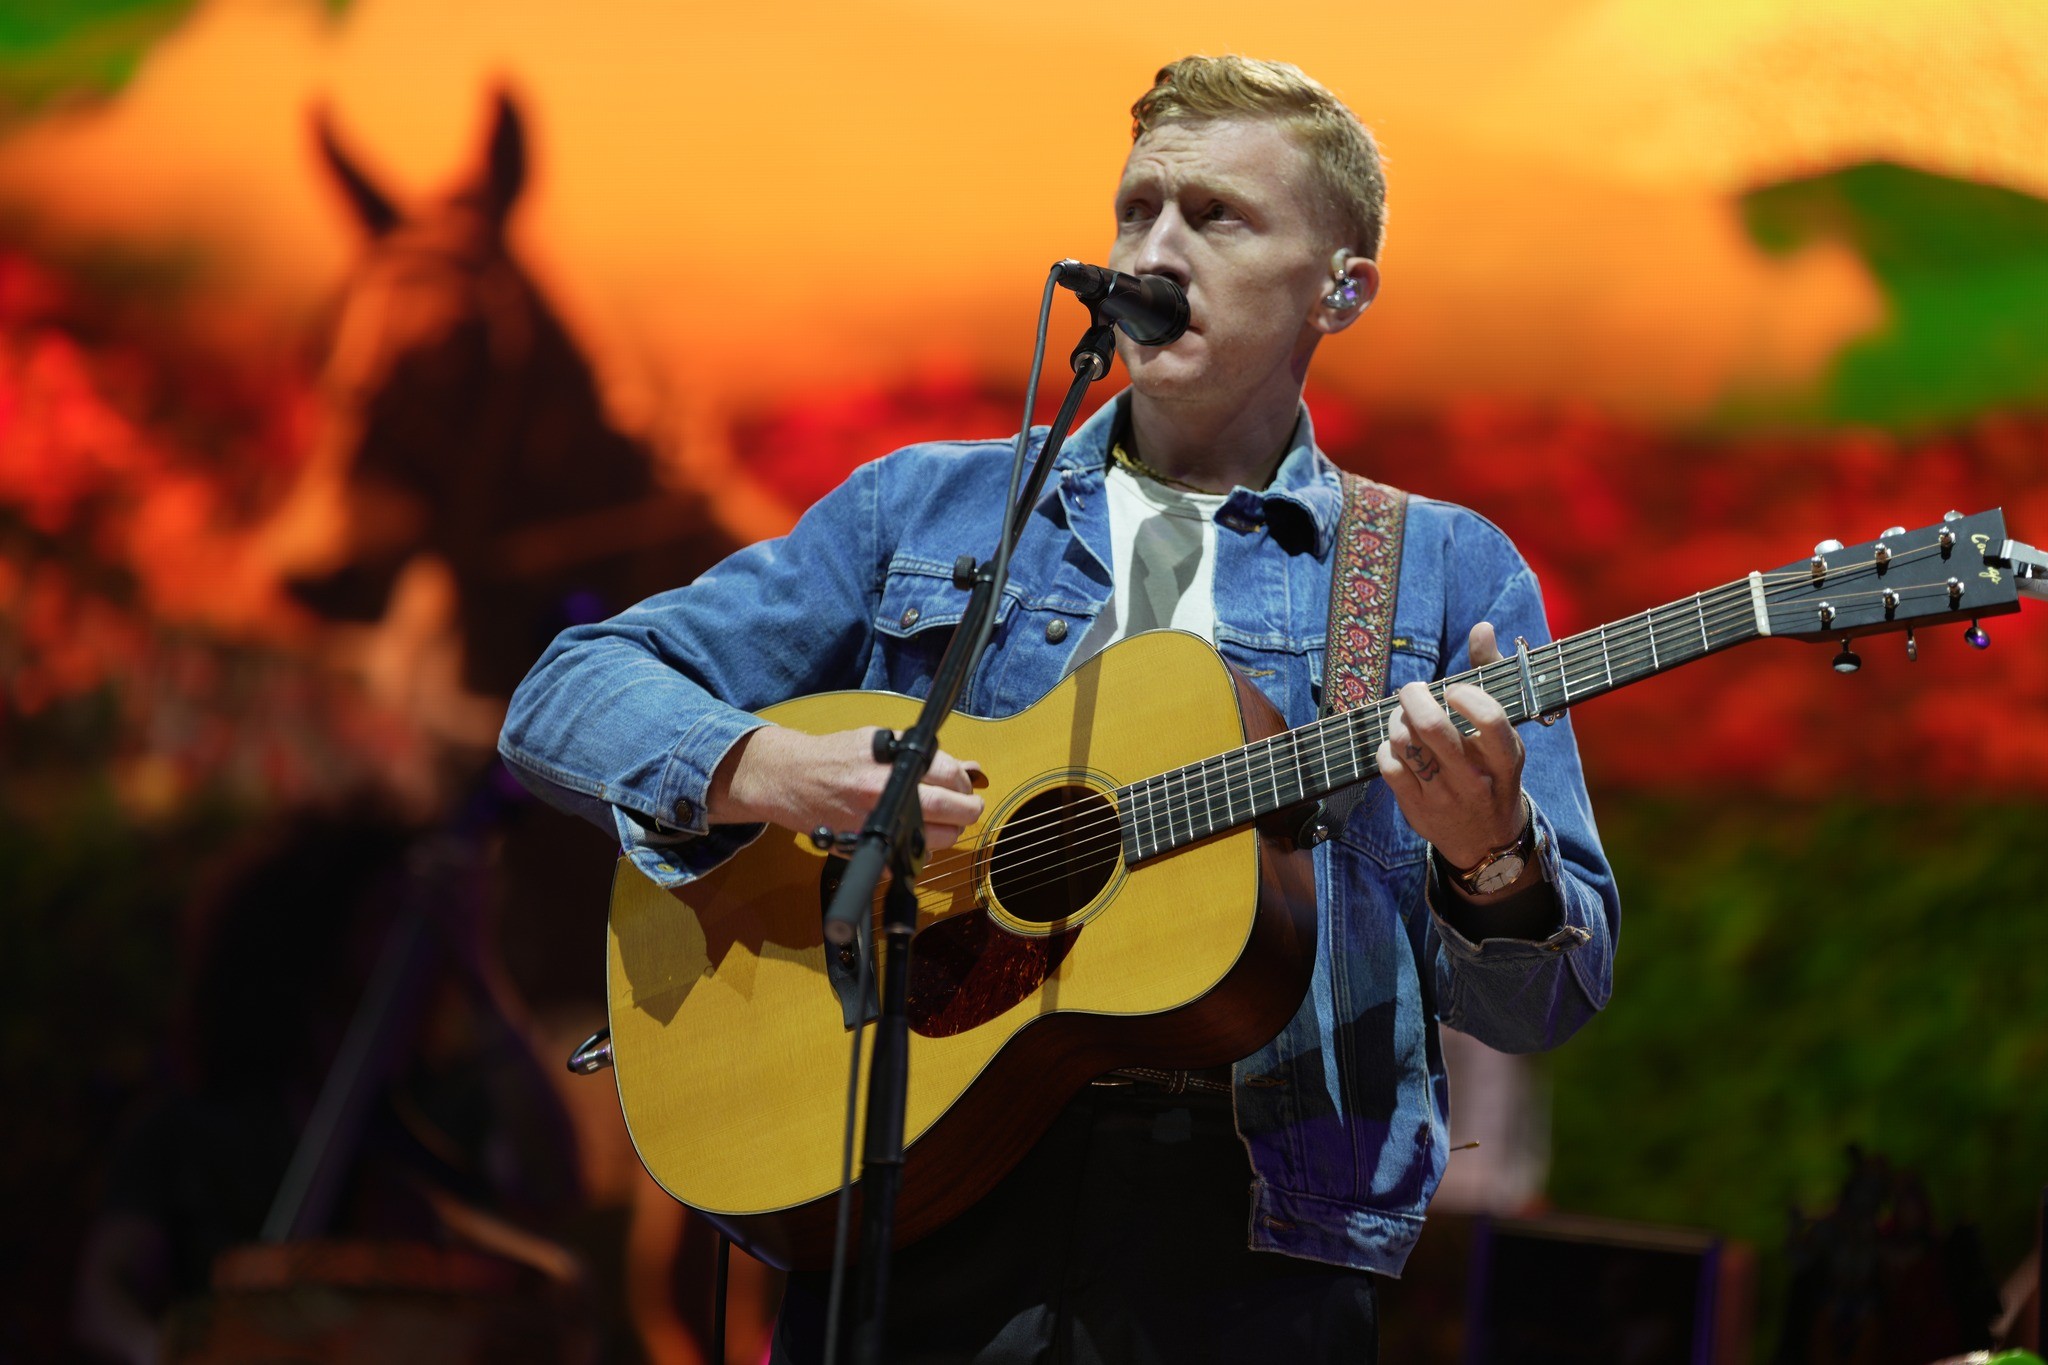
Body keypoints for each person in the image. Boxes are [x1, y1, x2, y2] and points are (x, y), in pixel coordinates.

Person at [500, 54, 1619, 1364]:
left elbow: (1550, 1001)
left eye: (1215, 215)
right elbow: (565, 691)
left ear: (1341, 288)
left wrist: (1489, 859)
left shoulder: (1437, 574)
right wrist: (770, 769)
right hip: (913, 1185)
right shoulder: (924, 509)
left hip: (1248, 1257)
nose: (1154, 249)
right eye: (1138, 208)